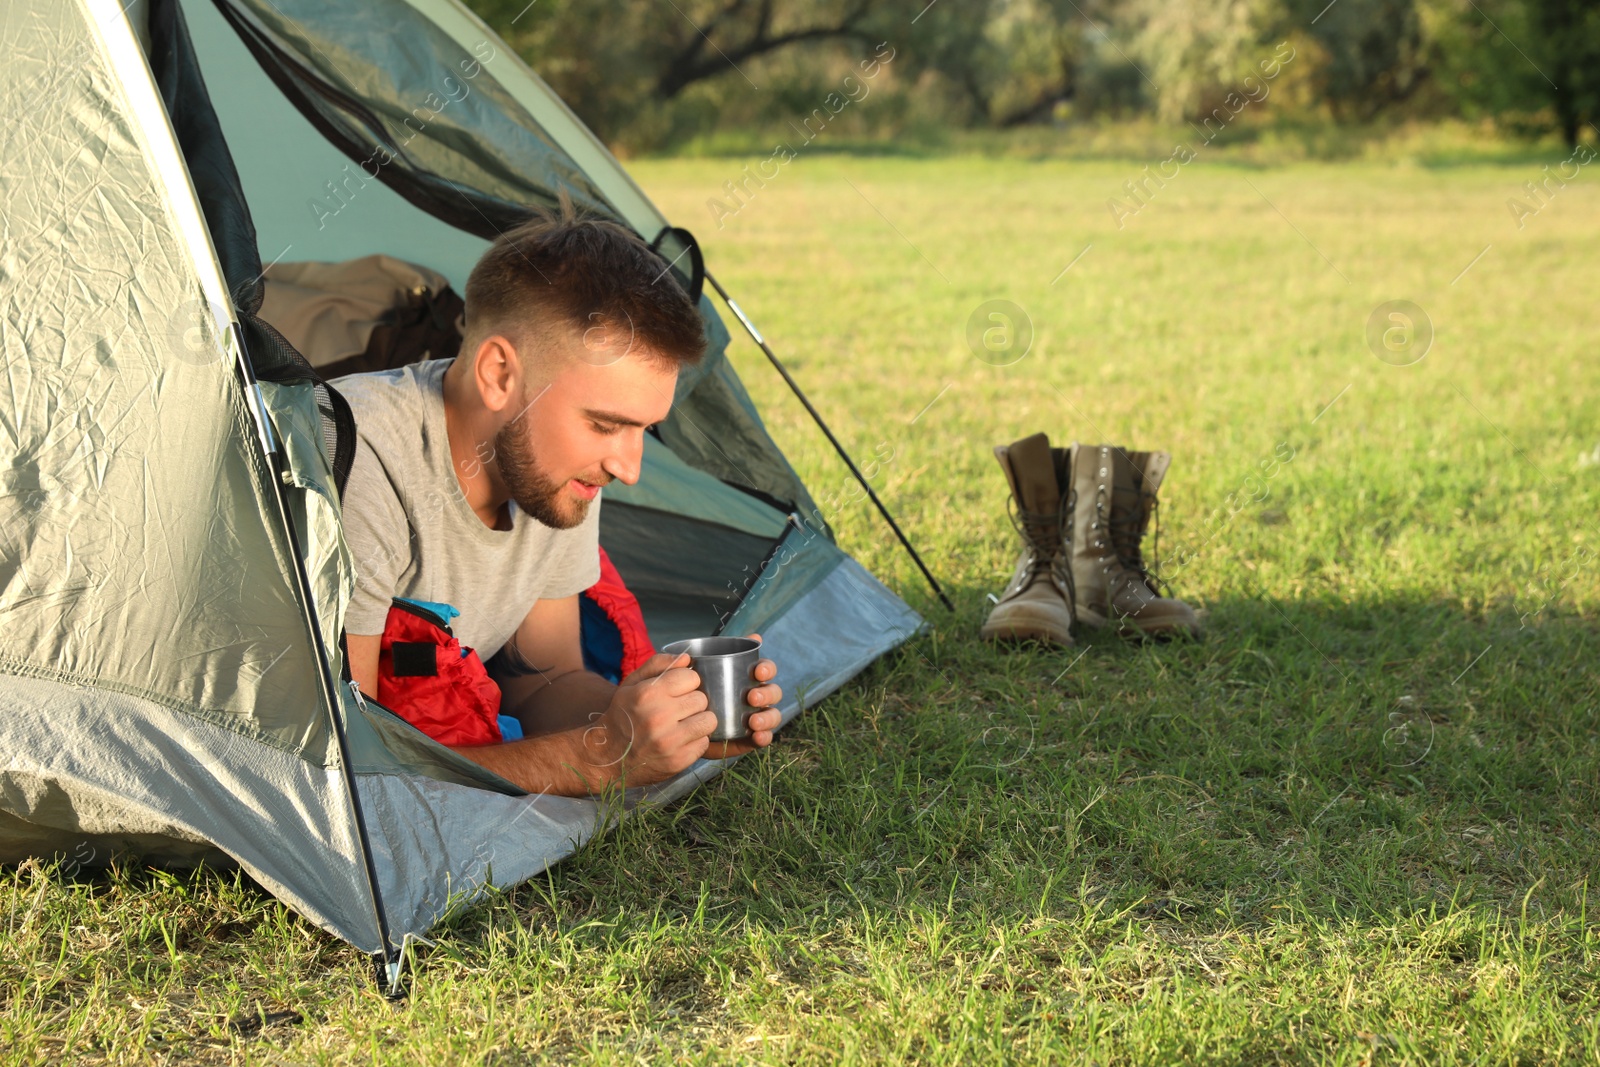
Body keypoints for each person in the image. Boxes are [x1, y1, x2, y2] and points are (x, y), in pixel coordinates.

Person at [336, 203, 782, 796]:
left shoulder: (551, 467)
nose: (629, 469)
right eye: (605, 425)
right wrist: (599, 760)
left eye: (643, 429)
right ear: (500, 374)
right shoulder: (361, 466)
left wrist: (663, 722)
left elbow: (545, 677)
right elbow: (349, 771)